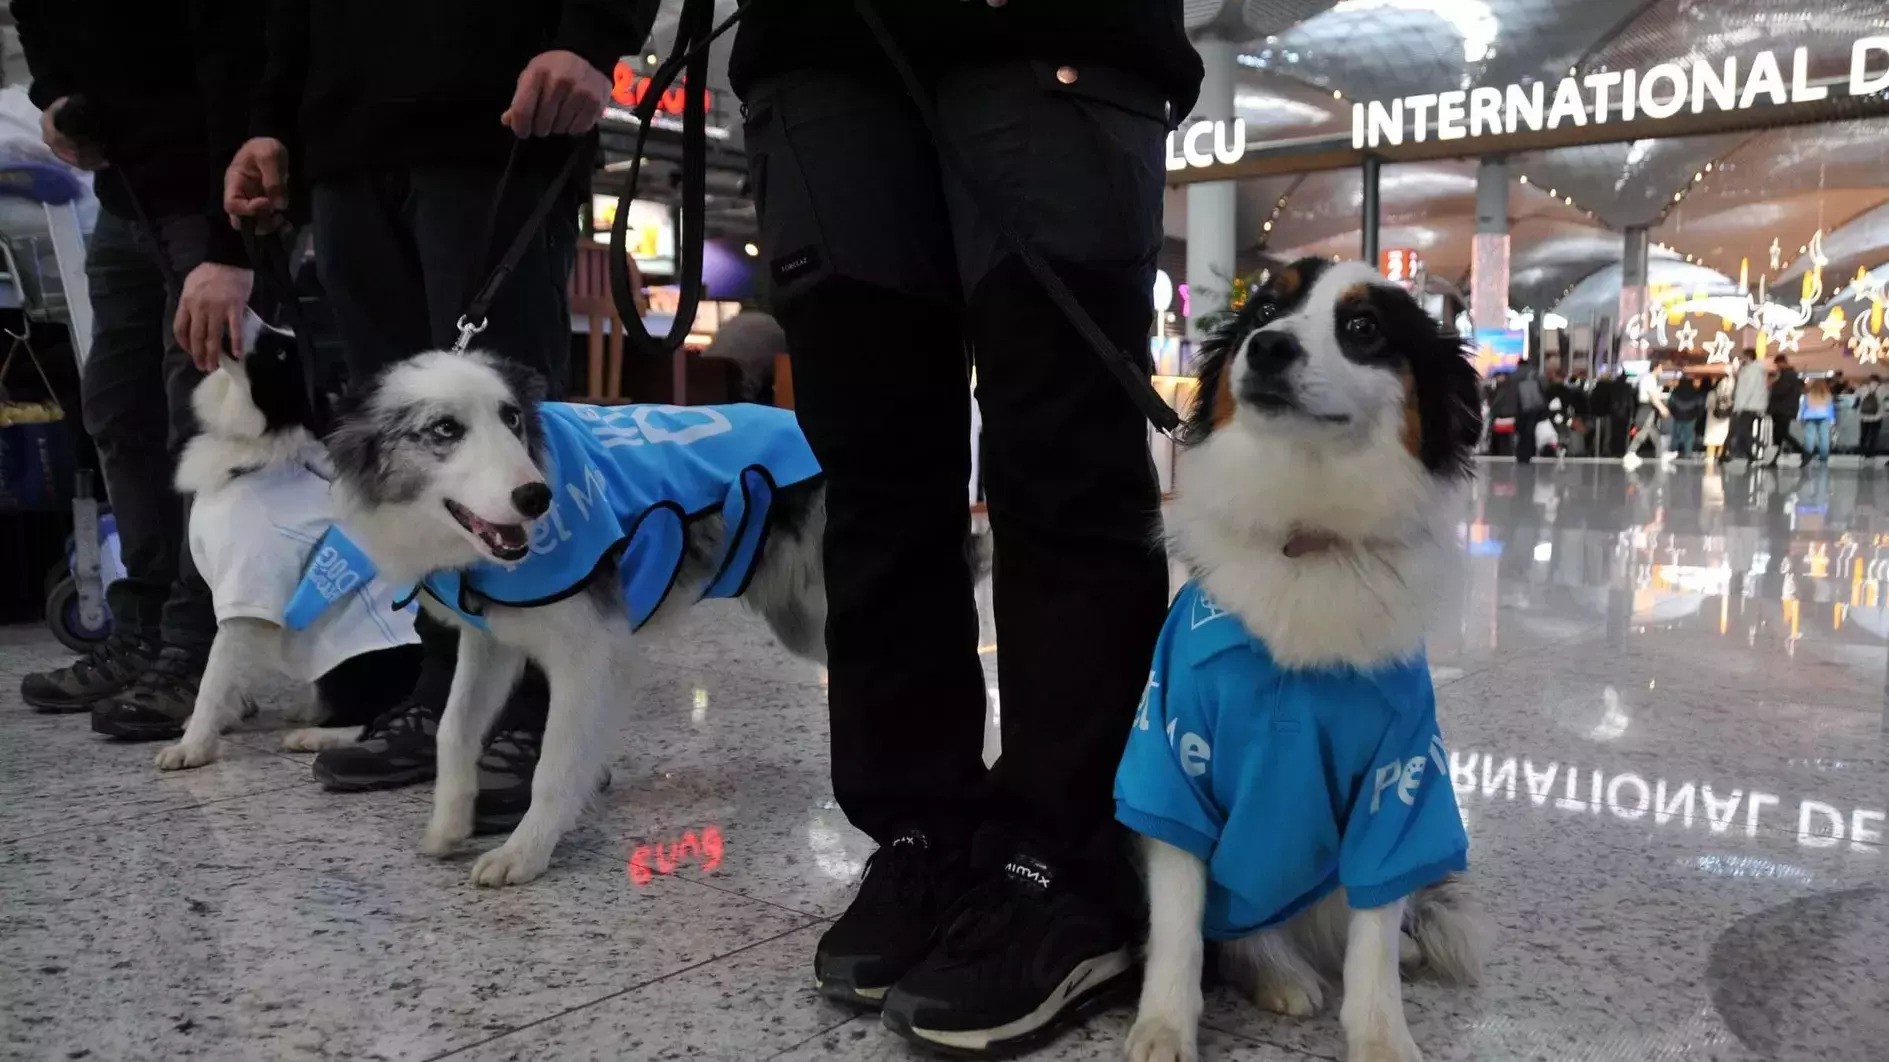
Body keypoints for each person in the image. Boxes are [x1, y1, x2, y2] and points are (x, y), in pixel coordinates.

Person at [732, 3, 1202, 1053]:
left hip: (1045, 36)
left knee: (1062, 458)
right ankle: (919, 833)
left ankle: (1067, 865)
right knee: (872, 475)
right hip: (821, 49)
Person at [224, 0, 656, 824]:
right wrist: (270, 119)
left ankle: (538, 715)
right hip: (346, 147)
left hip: (498, 119)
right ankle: (442, 691)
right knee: (411, 460)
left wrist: (591, 37)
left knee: (513, 435)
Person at [12, 0, 261, 735]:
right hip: (127, 194)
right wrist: (54, 96)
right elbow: (38, 17)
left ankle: (200, 647)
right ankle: (144, 629)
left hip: (209, 192)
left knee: (201, 426)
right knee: (118, 413)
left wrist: (230, 242)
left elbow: (241, 57)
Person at [1624, 362, 1674, 468]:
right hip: (1646, 409)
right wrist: (1662, 408)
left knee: (1654, 433)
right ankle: (1630, 453)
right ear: (1655, 368)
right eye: (1660, 368)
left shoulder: (1651, 380)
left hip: (1649, 409)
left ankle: (1662, 454)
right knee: (1643, 432)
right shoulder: (1649, 379)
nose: (1662, 371)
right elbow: (1652, 396)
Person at [1764, 354, 1805, 467]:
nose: (1776, 366)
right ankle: (1774, 459)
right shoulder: (1789, 375)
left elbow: (1780, 391)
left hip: (1783, 409)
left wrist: (1772, 384)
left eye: (1777, 364)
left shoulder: (1788, 375)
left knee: (1781, 433)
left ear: (1782, 363)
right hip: (1784, 409)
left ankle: (1804, 452)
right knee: (1778, 435)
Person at [1730, 350, 1769, 462]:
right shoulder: (1753, 370)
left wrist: (1740, 406)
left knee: (1742, 430)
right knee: (1743, 430)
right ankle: (1748, 454)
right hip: (1751, 405)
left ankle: (1754, 450)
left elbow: (1747, 390)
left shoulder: (1752, 371)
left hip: (1748, 405)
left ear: (1748, 357)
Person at [1512, 360, 1547, 464]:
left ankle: (1521, 454)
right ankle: (1528, 454)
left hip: (1520, 410)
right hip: (1533, 410)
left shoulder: (1514, 376)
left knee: (1521, 433)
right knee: (1529, 433)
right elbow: (1543, 391)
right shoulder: (1535, 375)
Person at [1666, 374, 1704, 458]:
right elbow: (1700, 405)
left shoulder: (1676, 391)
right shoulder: (1695, 392)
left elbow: (1670, 403)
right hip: (1691, 417)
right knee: (1688, 437)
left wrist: (1674, 413)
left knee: (1676, 435)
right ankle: (1688, 454)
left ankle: (1673, 451)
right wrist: (1697, 415)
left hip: (1678, 416)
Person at [1798, 378, 1835, 464]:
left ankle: (1808, 455)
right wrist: (1832, 419)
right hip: (1824, 417)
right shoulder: (1827, 395)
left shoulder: (1809, 395)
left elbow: (1803, 407)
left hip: (1810, 417)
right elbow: (1830, 408)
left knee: (1809, 438)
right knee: (1824, 438)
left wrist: (1800, 417)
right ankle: (1824, 457)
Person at [1704, 370, 1735, 464]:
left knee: (1711, 438)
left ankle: (1710, 456)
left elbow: (1707, 406)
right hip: (1725, 419)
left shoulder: (1711, 393)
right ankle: (1720, 454)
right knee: (1722, 437)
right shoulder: (1729, 396)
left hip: (1712, 419)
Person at [1858, 374, 1884, 463]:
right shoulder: (1882, 389)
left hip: (1864, 416)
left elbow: (1856, 395)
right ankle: (1871, 453)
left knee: (1864, 435)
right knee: (1874, 435)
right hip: (1877, 416)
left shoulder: (1863, 388)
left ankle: (1862, 452)